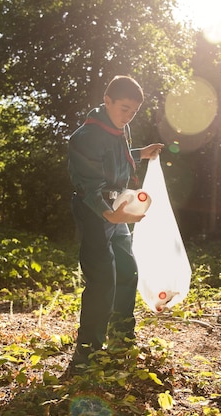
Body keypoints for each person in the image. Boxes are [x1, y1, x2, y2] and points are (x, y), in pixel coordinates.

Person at [66, 75, 163, 373]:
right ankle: (88, 352)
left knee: (127, 268)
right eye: (124, 108)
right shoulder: (84, 137)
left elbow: (114, 160)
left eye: (133, 111)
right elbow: (90, 185)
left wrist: (140, 154)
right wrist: (109, 214)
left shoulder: (122, 128)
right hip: (95, 210)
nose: (128, 116)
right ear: (107, 101)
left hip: (117, 206)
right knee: (102, 279)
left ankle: (121, 336)